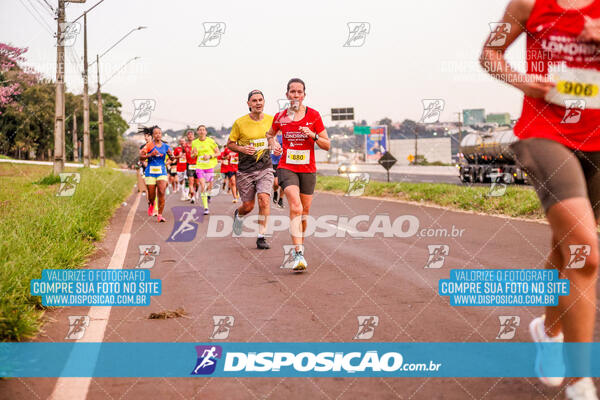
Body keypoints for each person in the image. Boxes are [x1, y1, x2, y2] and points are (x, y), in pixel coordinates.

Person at [481, 1, 600, 398]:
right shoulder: (528, 3)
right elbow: (489, 52)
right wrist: (525, 83)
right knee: (586, 249)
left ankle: (549, 331)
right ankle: (581, 382)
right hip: (545, 131)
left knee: (566, 245)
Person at [267, 78, 330, 270]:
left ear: (304, 95)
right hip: (287, 167)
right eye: (292, 92)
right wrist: (274, 144)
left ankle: (300, 247)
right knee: (295, 206)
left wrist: (312, 135)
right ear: (287, 95)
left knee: (305, 211)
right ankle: (298, 253)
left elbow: (327, 145)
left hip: (308, 169)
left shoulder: (314, 115)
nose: (295, 95)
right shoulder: (280, 117)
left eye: (299, 92)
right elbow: (270, 134)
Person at [227, 90, 274, 250]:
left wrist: (276, 145)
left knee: (264, 199)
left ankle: (261, 236)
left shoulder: (271, 120)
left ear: (264, 101)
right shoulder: (240, 123)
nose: (258, 103)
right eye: (254, 100)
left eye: (261, 100)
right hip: (246, 170)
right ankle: (238, 215)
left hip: (265, 167)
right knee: (248, 206)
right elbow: (230, 144)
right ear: (249, 104)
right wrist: (242, 149)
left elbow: (274, 138)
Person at [140, 126, 174, 222]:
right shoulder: (149, 145)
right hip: (150, 173)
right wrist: (150, 155)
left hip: (161, 172)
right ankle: (151, 204)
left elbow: (172, 158)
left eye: (159, 133)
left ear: (161, 134)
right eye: (156, 133)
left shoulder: (166, 146)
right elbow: (141, 158)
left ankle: (160, 215)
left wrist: (171, 156)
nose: (158, 135)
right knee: (151, 195)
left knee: (162, 192)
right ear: (153, 135)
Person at [191, 125, 220, 214]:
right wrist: (194, 154)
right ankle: (206, 208)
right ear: (197, 132)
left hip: (210, 166)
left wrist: (210, 156)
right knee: (203, 186)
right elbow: (192, 156)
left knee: (209, 186)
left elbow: (218, 153)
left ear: (206, 132)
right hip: (200, 166)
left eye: (203, 130)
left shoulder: (211, 141)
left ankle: (208, 195)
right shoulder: (194, 142)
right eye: (200, 130)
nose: (202, 131)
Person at [184, 129, 198, 202]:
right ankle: (193, 197)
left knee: (197, 183)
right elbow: (182, 154)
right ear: (187, 136)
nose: (190, 136)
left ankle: (194, 192)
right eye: (188, 134)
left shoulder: (197, 144)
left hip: (197, 165)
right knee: (191, 182)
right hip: (189, 165)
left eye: (191, 134)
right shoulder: (185, 145)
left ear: (194, 136)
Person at [271, 132, 284, 208]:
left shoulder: (286, 134)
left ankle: (281, 199)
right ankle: (275, 192)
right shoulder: (271, 134)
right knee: (276, 183)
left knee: (283, 182)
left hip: (283, 162)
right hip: (274, 162)